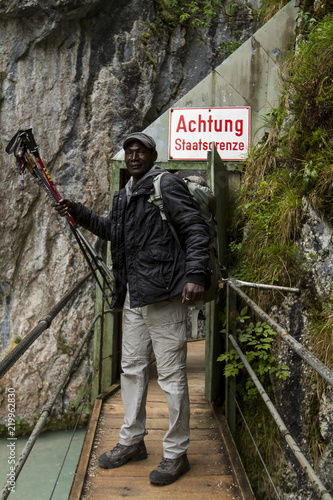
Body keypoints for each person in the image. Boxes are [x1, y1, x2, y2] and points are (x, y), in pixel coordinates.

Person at [54, 132, 210, 485]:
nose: (134, 155)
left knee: (171, 377)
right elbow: (113, 232)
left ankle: (175, 453)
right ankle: (132, 441)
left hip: (165, 296)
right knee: (132, 370)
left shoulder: (166, 184)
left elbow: (195, 229)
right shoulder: (124, 195)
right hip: (134, 297)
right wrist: (77, 211)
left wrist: (196, 273)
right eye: (129, 151)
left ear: (152, 155)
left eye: (140, 150)